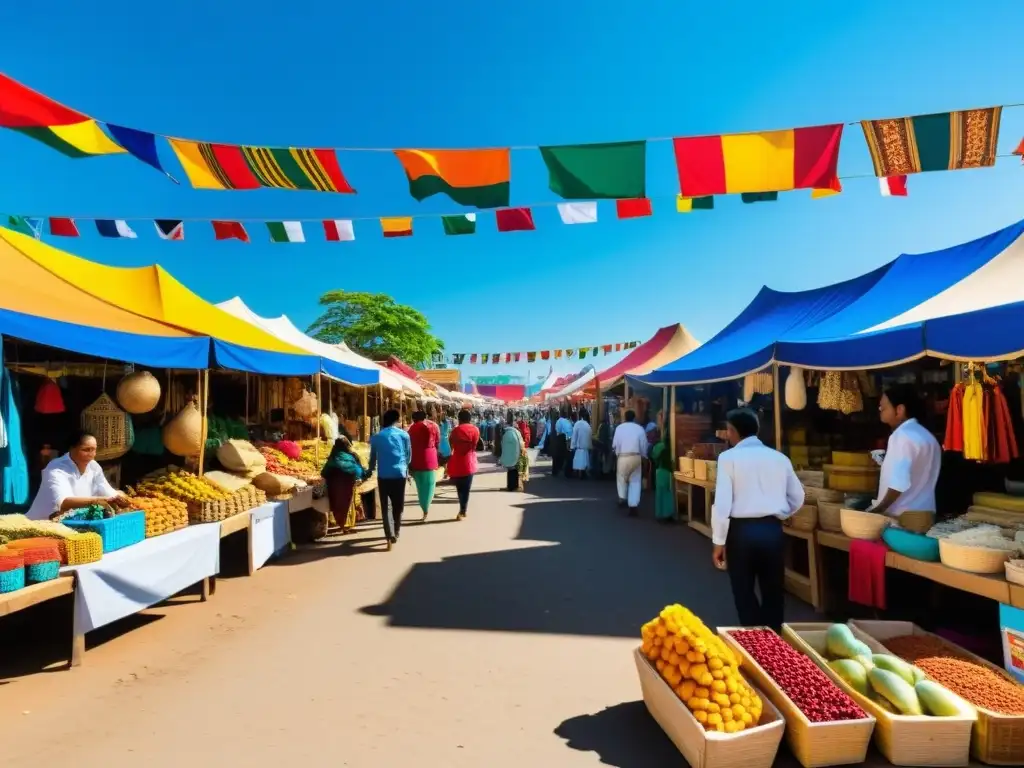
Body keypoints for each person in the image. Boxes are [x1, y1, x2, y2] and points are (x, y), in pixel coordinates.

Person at [711, 408, 803, 631]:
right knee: (773, 589)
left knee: (743, 588)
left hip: (741, 532)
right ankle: (774, 640)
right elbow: (798, 496)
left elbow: (722, 503)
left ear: (732, 431)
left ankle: (754, 640)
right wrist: (782, 514)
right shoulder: (779, 458)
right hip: (772, 530)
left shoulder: (728, 458)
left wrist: (718, 541)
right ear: (756, 430)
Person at [868, 384, 941, 533]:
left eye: (884, 406)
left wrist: (877, 510)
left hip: (903, 518)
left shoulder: (901, 436)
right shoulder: (928, 436)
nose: (880, 409)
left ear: (899, 410)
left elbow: (899, 483)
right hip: (925, 515)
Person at [27, 429, 127, 520]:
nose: (91, 454)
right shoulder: (56, 468)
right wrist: (98, 500)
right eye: (86, 450)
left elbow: (107, 492)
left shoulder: (94, 466)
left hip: (73, 520)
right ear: (72, 449)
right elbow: (64, 503)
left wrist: (120, 497)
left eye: (94, 450)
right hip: (43, 522)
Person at [368, 408, 412, 549]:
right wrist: (405, 466)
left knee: (386, 507)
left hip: (383, 475)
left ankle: (389, 535)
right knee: (398, 505)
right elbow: (408, 455)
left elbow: (372, 459)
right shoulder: (404, 435)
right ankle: (396, 531)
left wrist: (369, 471)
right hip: (399, 474)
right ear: (397, 420)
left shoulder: (376, 437)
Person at [323, 436, 369, 533]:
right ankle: (346, 526)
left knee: (337, 505)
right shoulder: (351, 456)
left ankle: (341, 524)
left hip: (334, 486)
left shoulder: (333, 456)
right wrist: (361, 477)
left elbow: (324, 472)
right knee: (348, 504)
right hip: (348, 484)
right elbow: (357, 470)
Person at [612, 410, 649, 515]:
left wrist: (617, 454)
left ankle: (622, 498)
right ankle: (633, 505)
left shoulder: (619, 428)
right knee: (635, 481)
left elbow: (615, 445)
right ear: (634, 418)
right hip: (635, 456)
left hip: (623, 457)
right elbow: (644, 446)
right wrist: (643, 456)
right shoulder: (640, 429)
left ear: (624, 417)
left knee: (621, 478)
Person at [407, 410, 440, 521]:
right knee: (429, 485)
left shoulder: (412, 428)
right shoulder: (434, 426)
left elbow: (409, 445)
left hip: (416, 459)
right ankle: (426, 508)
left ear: (414, 419)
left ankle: (424, 508)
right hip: (430, 459)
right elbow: (437, 442)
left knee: (420, 486)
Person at [448, 409, 480, 519]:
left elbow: (451, 444)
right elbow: (475, 445)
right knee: (467, 488)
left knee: (459, 487)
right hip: (470, 461)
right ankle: (463, 510)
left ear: (459, 418)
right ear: (470, 418)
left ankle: (462, 508)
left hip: (457, 461)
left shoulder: (455, 430)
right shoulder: (475, 429)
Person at [650, 432, 676, 522]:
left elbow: (653, 456)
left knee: (659, 494)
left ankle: (659, 514)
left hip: (659, 471)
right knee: (668, 494)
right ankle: (667, 515)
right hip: (667, 472)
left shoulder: (659, 446)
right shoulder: (673, 447)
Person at [501, 412, 525, 491]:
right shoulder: (514, 431)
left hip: (512, 454)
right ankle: (512, 486)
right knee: (513, 470)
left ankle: (512, 486)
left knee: (512, 470)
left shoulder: (509, 432)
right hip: (515, 454)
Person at [570, 411, 593, 478]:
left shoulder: (577, 424)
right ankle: (583, 472)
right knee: (585, 461)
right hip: (586, 447)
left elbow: (574, 436)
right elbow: (590, 436)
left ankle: (578, 472)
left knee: (578, 461)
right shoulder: (588, 425)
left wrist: (572, 445)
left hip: (579, 447)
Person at [552, 409, 572, 475]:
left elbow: (557, 430)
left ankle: (556, 470)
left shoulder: (558, 421)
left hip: (559, 438)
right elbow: (569, 432)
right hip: (566, 439)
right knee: (567, 456)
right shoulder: (567, 421)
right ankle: (567, 472)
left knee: (557, 456)